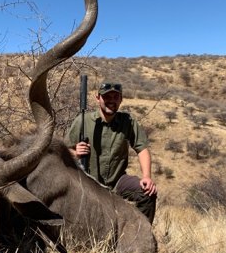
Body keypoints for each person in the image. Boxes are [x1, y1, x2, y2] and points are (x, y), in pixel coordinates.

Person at [65, 81, 157, 223]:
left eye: (115, 97)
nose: (111, 101)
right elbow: (64, 152)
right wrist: (75, 153)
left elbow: (142, 148)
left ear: (121, 99)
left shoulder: (128, 121)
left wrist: (147, 177)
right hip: (87, 183)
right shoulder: (82, 121)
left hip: (117, 181)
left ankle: (138, 236)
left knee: (147, 193)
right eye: (107, 97)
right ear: (98, 98)